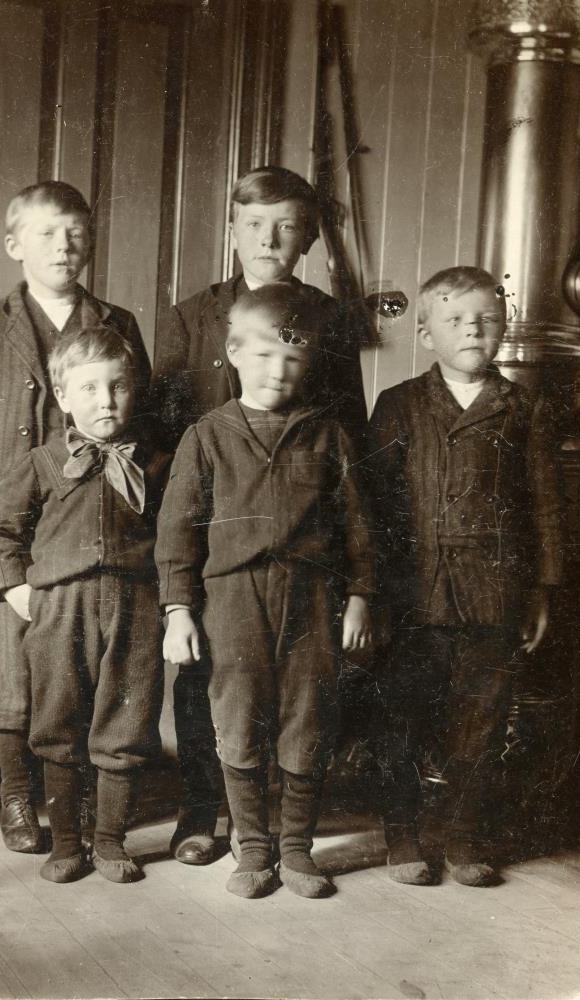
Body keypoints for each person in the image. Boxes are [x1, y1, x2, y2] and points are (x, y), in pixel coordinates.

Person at [151, 164, 370, 866]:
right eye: (254, 224)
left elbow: (349, 432)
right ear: (233, 229)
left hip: (301, 535)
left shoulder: (329, 319)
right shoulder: (191, 315)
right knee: (206, 682)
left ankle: (280, 830)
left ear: (307, 237)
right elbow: (164, 435)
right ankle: (200, 811)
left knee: (298, 692)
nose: (269, 239)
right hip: (217, 538)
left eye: (286, 226)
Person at [0, 181, 152, 854]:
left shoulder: (117, 321)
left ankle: (78, 796)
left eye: (75, 234)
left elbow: (140, 415)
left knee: (83, 662)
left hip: (89, 516)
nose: (63, 247)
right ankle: (14, 794)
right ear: (15, 245)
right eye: (47, 234)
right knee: (11, 655)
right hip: (11, 511)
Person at [365, 266, 564, 887]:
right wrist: (369, 591)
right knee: (405, 715)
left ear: (503, 328)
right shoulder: (399, 404)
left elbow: (546, 504)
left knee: (481, 718)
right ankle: (404, 834)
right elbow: (372, 507)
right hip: (414, 590)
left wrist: (542, 589)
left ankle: (463, 833)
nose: (473, 330)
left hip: (494, 592)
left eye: (486, 319)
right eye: (455, 319)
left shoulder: (523, 407)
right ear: (426, 334)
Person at [0, 327, 168, 883]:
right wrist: (17, 590)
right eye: (88, 388)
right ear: (62, 396)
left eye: (118, 386)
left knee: (126, 724)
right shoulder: (42, 462)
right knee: (58, 723)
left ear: (134, 389)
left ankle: (109, 842)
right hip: (61, 611)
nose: (105, 401)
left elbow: (182, 536)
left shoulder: (158, 463)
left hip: (136, 608)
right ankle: (65, 844)